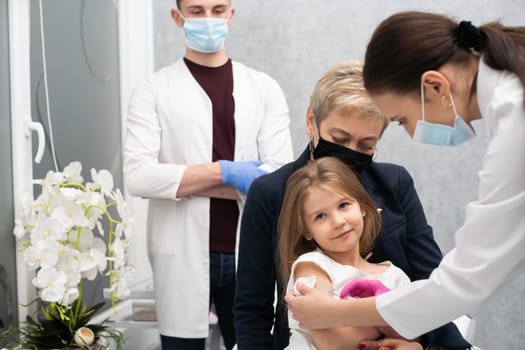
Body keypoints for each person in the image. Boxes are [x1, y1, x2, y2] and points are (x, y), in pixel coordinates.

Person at [285, 10, 525, 350]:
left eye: (402, 120)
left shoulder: (516, 123)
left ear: (435, 86)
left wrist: (333, 312)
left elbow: (466, 279)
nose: (412, 134)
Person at [234, 60, 471, 350]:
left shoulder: (394, 182)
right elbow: (252, 311)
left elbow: (433, 285)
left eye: (366, 145)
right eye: (340, 138)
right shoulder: (271, 192)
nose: (350, 152)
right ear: (311, 121)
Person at [123, 0, 293, 349]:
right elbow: (139, 177)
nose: (209, 19)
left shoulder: (264, 88)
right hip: (180, 253)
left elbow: (280, 180)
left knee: (254, 343)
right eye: (197, 11)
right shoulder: (152, 90)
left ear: (231, 15)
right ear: (177, 17)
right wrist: (229, 172)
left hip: (249, 251)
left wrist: (182, 182)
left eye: (217, 10)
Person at [279, 157, 422, 350]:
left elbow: (414, 335)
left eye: (343, 205)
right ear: (307, 231)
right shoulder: (311, 266)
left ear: (362, 207)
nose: (338, 221)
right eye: (320, 216)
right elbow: (334, 343)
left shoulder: (395, 277)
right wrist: (385, 317)